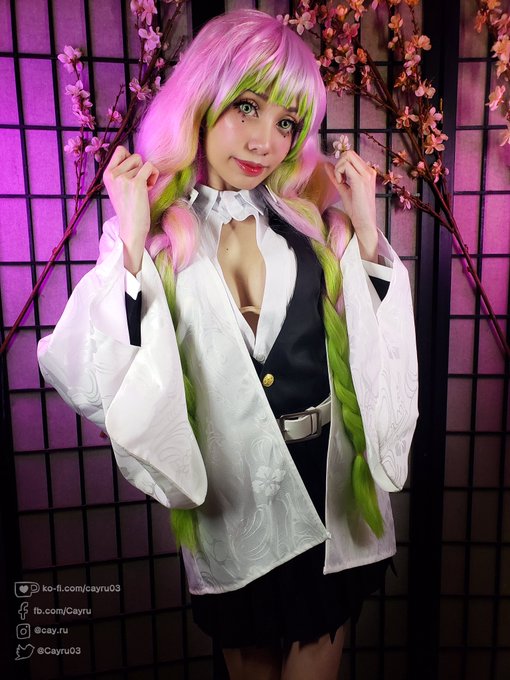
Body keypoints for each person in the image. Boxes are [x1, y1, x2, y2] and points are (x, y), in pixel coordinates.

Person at [38, 9, 419, 680]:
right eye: (247, 107)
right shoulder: (156, 239)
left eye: (286, 123)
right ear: (203, 98)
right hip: (234, 498)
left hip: (330, 489)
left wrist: (365, 229)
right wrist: (131, 239)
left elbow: (379, 343)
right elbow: (86, 369)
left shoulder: (314, 226)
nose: (264, 141)